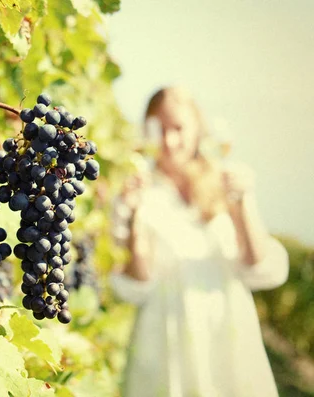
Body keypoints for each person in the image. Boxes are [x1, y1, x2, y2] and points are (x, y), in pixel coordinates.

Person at [111, 86, 289, 397]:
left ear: (198, 128)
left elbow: (259, 268)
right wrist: (135, 213)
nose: (169, 141)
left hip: (227, 330)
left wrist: (242, 203)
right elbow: (137, 285)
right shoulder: (138, 191)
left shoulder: (226, 181)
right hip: (166, 341)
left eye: (178, 128)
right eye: (159, 129)